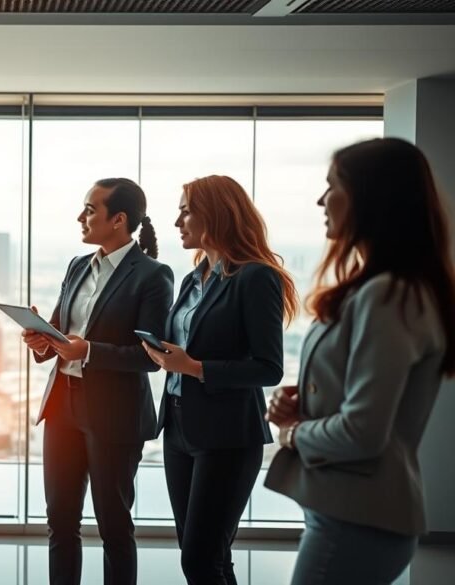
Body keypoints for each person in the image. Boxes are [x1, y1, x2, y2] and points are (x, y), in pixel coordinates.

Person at [265, 137, 455, 585]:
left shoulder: (388, 294)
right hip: (347, 512)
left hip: (357, 518)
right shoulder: (383, 289)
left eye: (332, 186)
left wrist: (293, 433)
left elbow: (362, 432)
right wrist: (301, 405)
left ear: (370, 197)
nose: (320, 199)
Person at [141, 175, 299, 585]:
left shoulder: (255, 277)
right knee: (208, 556)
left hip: (227, 436)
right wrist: (162, 352)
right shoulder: (194, 277)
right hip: (178, 429)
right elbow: (187, 345)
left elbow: (268, 367)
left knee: (199, 559)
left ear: (216, 214)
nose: (177, 221)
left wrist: (193, 367)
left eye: (186, 210)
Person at [24, 178, 173, 585]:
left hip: (114, 415)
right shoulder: (78, 265)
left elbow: (151, 357)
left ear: (119, 219)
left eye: (90, 209)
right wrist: (41, 340)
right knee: (60, 522)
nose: (81, 217)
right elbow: (60, 334)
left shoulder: (153, 276)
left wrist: (88, 351)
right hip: (62, 408)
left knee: (114, 528)